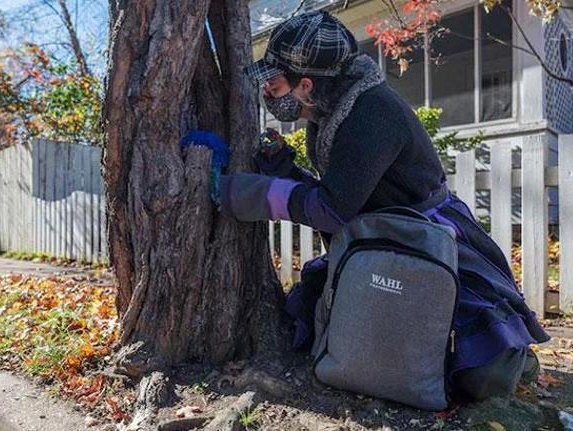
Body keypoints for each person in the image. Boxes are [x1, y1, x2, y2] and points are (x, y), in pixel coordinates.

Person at [218, 10, 550, 401]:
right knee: (312, 319)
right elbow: (345, 195)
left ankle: (511, 356)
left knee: (482, 373)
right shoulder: (329, 110)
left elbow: (334, 209)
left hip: (427, 238)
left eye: (275, 83)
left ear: (306, 85)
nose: (268, 92)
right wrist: (285, 171)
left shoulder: (370, 114)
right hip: (382, 236)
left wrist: (246, 193)